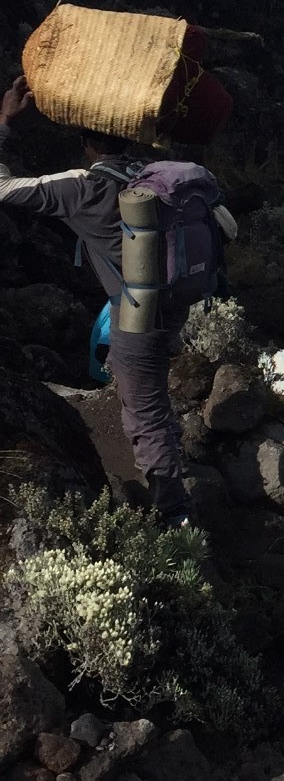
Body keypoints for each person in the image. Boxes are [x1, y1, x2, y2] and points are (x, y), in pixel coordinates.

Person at [0, 75, 190, 521]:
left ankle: (174, 513)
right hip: (174, 304)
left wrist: (4, 122)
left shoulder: (80, 187)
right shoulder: (155, 176)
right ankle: (170, 474)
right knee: (150, 400)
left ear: (87, 143)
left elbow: (3, 188)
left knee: (144, 413)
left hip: (135, 316)